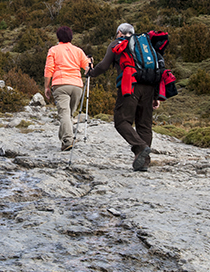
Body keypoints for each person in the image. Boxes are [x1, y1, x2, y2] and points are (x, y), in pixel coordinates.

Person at [86, 23, 160, 172]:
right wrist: (156, 95)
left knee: (121, 121)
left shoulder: (116, 44)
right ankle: (144, 162)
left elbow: (104, 65)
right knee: (144, 125)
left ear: (119, 32)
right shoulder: (145, 45)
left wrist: (91, 72)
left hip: (130, 85)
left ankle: (140, 147)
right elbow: (157, 66)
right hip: (150, 86)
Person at [44, 26, 91, 151]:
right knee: (68, 114)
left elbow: (49, 69)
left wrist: (46, 87)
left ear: (58, 37)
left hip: (60, 84)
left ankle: (68, 140)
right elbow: (87, 67)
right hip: (77, 85)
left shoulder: (53, 50)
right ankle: (64, 139)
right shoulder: (78, 51)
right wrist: (90, 62)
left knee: (64, 113)